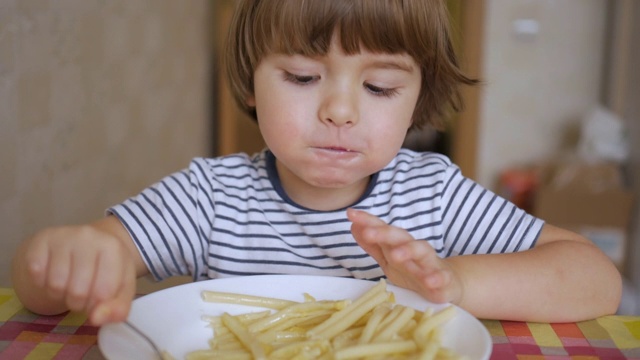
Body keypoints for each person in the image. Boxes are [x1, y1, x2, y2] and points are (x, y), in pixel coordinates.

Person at [12, 0, 621, 327]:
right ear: (251, 83)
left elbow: (597, 279)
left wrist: (460, 283)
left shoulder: (433, 195)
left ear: (416, 103)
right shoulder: (210, 197)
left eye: (380, 88)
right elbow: (37, 294)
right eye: (303, 77)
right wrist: (76, 256)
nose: (339, 110)